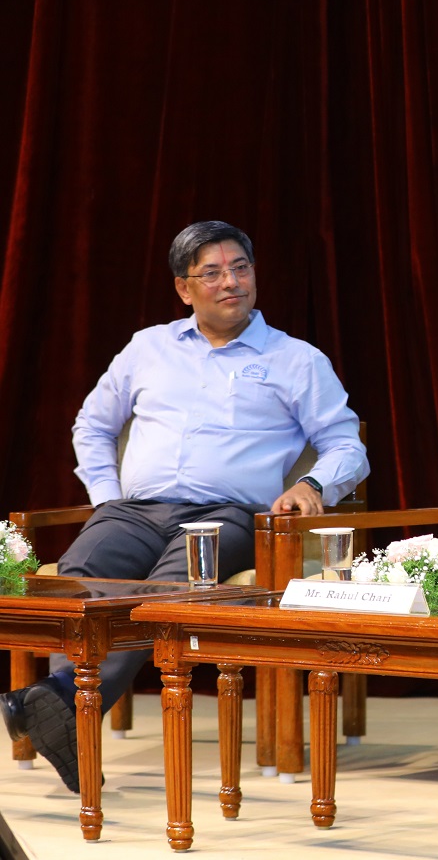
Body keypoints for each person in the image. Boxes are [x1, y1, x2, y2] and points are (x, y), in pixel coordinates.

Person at [0, 221, 369, 794]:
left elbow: (347, 443)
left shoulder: (296, 360)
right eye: (213, 273)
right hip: (134, 510)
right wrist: (107, 500)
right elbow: (93, 426)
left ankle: (56, 704)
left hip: (227, 515)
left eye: (240, 268)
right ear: (183, 288)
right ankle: (65, 710)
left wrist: (313, 484)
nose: (231, 283)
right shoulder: (148, 347)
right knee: (77, 582)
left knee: (163, 596)